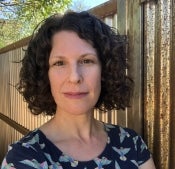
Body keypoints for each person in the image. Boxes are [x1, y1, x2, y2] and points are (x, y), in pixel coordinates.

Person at [1, 11, 156, 169]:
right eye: (59, 63)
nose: (75, 77)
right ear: (44, 74)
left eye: (87, 61)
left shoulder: (130, 143)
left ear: (105, 70)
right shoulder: (23, 158)